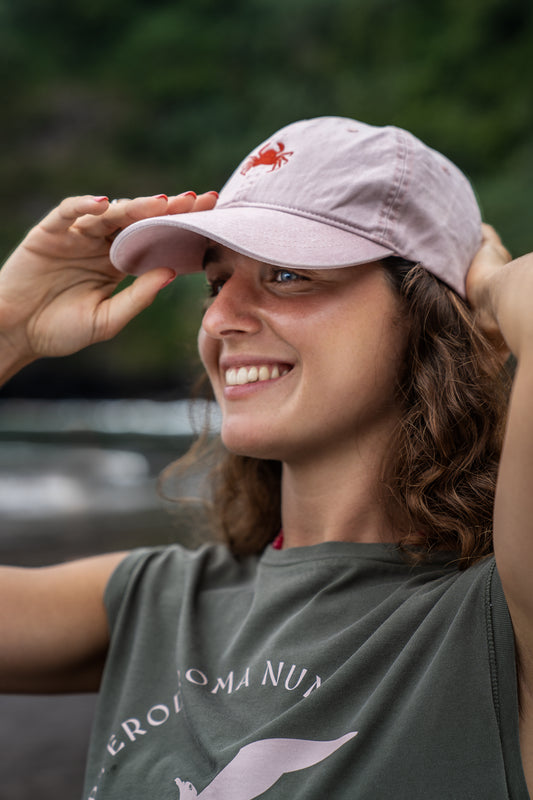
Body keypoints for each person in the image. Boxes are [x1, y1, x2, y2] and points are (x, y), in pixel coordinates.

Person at [0, 116, 530, 799]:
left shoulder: (497, 626)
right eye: (216, 284)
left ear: (433, 315)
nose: (221, 319)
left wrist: (487, 289)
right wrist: (9, 325)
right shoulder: (158, 601)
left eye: (285, 274)